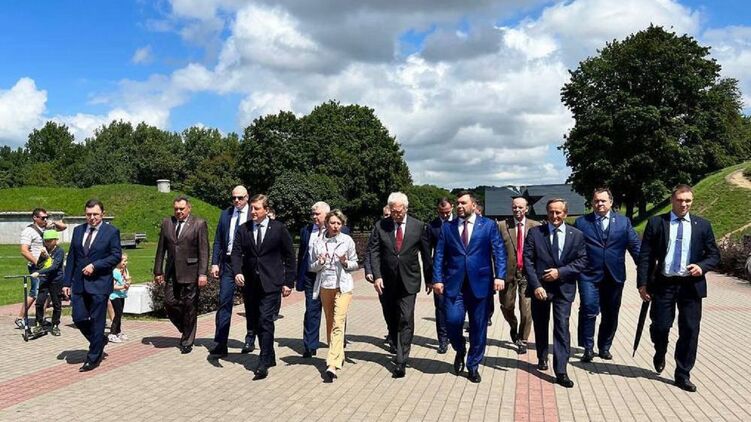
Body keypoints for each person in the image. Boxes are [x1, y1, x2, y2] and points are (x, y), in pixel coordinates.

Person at [637, 184, 720, 392]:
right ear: (672, 200)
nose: (684, 204)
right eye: (680, 200)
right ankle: (660, 349)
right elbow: (646, 255)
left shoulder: (702, 225)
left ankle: (682, 374)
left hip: (690, 286)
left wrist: (701, 267)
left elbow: (714, 255)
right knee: (660, 326)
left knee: (690, 330)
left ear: (692, 201)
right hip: (664, 284)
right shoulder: (657, 223)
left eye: (688, 201)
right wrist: (642, 284)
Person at [432, 191, 506, 383]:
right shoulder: (448, 228)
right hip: (454, 285)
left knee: (478, 327)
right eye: (457, 203)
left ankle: (473, 365)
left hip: (480, 284)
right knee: (452, 321)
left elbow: (498, 251)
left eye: (463, 203)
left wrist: (500, 276)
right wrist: (437, 279)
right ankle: (460, 348)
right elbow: (439, 255)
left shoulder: (488, 225)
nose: (459, 206)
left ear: (473, 205)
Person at [524, 198, 587, 388]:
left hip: (563, 289)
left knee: (561, 326)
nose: (554, 216)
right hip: (540, 288)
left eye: (558, 212)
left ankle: (561, 370)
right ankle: (542, 356)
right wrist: (536, 285)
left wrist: (560, 272)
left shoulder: (577, 235)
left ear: (565, 214)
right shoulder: (535, 233)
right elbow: (528, 261)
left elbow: (582, 261)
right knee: (541, 324)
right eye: (551, 212)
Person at [231, 194, 296, 380]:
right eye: (252, 208)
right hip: (251, 284)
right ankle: (270, 355)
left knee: (265, 320)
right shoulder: (243, 229)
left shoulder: (279, 228)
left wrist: (288, 282)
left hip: (271, 283)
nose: (253, 211)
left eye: (257, 208)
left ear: (266, 210)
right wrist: (237, 272)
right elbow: (236, 253)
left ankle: (263, 362)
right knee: (255, 321)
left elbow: (290, 256)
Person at [368, 192, 432, 378]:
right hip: (387, 281)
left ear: (406, 208)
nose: (396, 215)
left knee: (406, 317)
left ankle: (401, 361)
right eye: (393, 211)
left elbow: (426, 254)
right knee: (391, 317)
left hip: (409, 280)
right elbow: (374, 251)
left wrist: (430, 278)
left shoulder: (418, 226)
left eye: (399, 211)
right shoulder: (381, 226)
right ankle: (395, 343)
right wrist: (377, 276)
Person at [574, 188, 640, 362]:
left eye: (603, 201)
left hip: (614, 275)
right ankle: (588, 348)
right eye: (596, 201)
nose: (600, 204)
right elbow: (573, 248)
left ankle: (604, 347)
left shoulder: (623, 222)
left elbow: (635, 246)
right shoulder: (581, 223)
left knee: (611, 313)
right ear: (592, 203)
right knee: (588, 309)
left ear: (611, 202)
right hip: (588, 275)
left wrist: (645, 269)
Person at [62, 199, 122, 372]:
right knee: (78, 318)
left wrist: (96, 266)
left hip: (99, 283)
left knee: (97, 321)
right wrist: (66, 282)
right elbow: (72, 257)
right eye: (89, 214)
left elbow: (115, 256)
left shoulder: (111, 232)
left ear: (102, 214)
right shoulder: (78, 230)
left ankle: (93, 357)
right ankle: (99, 340)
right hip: (79, 284)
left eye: (95, 214)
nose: (92, 217)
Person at [153, 195, 209, 354]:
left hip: (191, 271)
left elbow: (204, 250)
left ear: (189, 208)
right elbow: (161, 248)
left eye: (182, 209)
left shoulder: (199, 224)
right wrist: (158, 271)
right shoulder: (167, 223)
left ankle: (187, 341)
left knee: (190, 306)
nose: (178, 212)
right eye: (176, 209)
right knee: (169, 302)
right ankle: (186, 327)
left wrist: (203, 273)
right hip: (172, 272)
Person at [296, 201, 351, 358]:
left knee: (336, 311)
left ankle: (337, 342)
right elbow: (303, 254)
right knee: (311, 310)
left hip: (332, 277)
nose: (314, 217)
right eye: (312, 214)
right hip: (311, 276)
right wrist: (298, 278)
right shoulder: (306, 230)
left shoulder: (342, 230)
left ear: (326, 215)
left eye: (317, 214)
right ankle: (310, 345)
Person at [309, 210, 358, 382]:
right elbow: (311, 266)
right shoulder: (318, 242)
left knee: (338, 322)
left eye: (339, 223)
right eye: (333, 223)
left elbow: (355, 263)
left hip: (343, 287)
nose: (336, 226)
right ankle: (338, 354)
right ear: (327, 224)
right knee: (330, 323)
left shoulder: (347, 240)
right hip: (325, 286)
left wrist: (345, 262)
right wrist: (320, 262)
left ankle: (332, 364)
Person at [209, 186, 256, 357]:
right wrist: (215, 263)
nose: (236, 201)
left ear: (247, 197)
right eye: (234, 198)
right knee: (224, 301)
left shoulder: (253, 213)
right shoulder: (226, 214)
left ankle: (250, 337)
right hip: (228, 263)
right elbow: (218, 240)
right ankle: (221, 343)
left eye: (240, 198)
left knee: (250, 302)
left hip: (247, 264)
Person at [497, 196, 540, 355]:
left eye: (521, 207)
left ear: (527, 209)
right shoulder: (502, 226)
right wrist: (497, 275)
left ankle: (523, 339)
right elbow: (496, 250)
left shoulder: (536, 226)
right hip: (507, 274)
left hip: (527, 275)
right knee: (507, 306)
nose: (517, 210)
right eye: (515, 207)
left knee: (526, 311)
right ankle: (513, 326)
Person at [17, 208, 66, 328]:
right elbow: (24, 250)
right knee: (35, 292)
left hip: (48, 267)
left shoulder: (47, 228)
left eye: (46, 217)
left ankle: (41, 319)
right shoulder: (29, 231)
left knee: (45, 294)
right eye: (43, 217)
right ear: (35, 218)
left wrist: (52, 222)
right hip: (36, 266)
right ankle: (20, 317)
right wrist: (38, 263)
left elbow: (63, 227)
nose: (45, 219)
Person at [364, 204, 393, 349]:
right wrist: (369, 271)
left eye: (390, 215)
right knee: (387, 306)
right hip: (382, 275)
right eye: (385, 215)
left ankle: (396, 336)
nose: (388, 218)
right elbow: (370, 250)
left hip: (399, 276)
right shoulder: (378, 228)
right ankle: (392, 331)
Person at [427, 197, 453, 354]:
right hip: (439, 273)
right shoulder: (432, 226)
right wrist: (429, 278)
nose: (445, 215)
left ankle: (453, 334)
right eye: (441, 212)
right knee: (441, 307)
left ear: (452, 208)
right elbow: (427, 254)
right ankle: (442, 339)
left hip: (457, 272)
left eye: (447, 212)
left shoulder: (459, 223)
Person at [30, 230, 65, 336]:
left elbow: (54, 267)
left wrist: (39, 272)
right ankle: (39, 323)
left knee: (56, 303)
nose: (48, 243)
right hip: (45, 279)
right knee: (39, 302)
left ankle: (55, 325)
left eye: (50, 240)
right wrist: (42, 256)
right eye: (46, 241)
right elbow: (39, 265)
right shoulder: (44, 250)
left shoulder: (59, 251)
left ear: (55, 240)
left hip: (56, 280)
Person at [108, 254, 131, 343]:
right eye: (124, 261)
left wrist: (127, 281)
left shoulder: (124, 271)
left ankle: (118, 331)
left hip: (121, 295)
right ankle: (112, 333)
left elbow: (127, 280)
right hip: (115, 296)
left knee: (120, 314)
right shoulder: (115, 272)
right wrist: (123, 287)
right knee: (117, 314)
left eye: (126, 261)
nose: (126, 263)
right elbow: (112, 286)